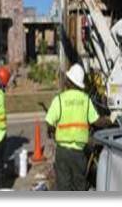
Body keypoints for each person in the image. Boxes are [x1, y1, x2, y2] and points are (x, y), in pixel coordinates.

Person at [45, 63, 111, 191]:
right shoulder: (85, 100)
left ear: (69, 82)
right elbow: (97, 121)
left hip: (63, 153)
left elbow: (49, 122)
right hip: (79, 153)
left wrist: (52, 130)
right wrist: (109, 120)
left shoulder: (59, 100)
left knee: (63, 188)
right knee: (79, 187)